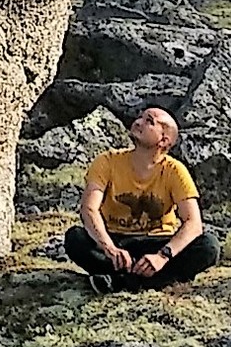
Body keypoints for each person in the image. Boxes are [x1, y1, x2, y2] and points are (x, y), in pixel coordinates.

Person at [64, 103, 219, 292]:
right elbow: (89, 209)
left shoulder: (175, 170)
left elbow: (193, 223)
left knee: (209, 246)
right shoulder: (107, 161)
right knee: (75, 238)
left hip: (156, 242)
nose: (138, 122)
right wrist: (109, 248)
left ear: (164, 140)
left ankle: (123, 282)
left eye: (149, 121)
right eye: (140, 117)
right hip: (116, 240)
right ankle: (147, 281)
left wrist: (163, 256)